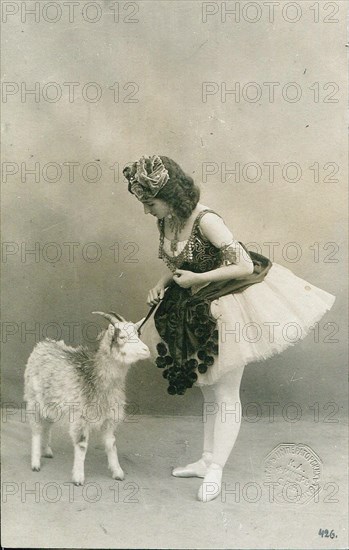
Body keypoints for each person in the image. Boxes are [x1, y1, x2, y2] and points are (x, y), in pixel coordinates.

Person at [123, 155, 336, 503]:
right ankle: (207, 460)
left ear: (171, 195)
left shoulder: (206, 220)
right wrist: (162, 283)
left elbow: (244, 264)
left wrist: (198, 278)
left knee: (225, 393)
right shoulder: (167, 220)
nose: (147, 211)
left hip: (227, 305)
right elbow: (177, 263)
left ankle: (217, 469)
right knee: (209, 389)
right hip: (192, 306)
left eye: (150, 203)